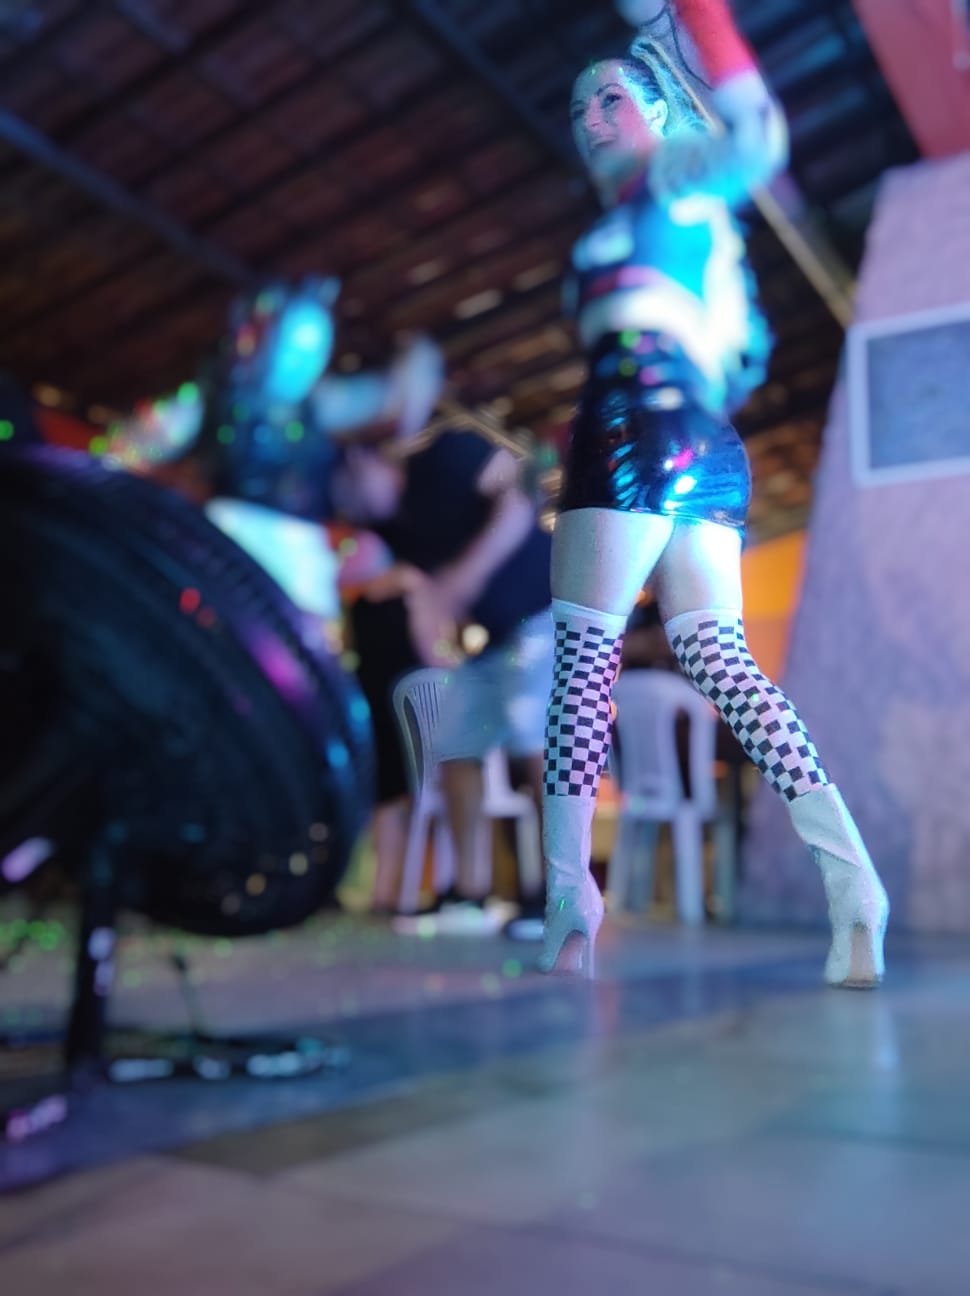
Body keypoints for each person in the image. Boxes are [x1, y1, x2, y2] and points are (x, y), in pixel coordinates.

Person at [539, 0, 889, 986]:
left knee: (583, 659)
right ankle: (853, 882)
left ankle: (568, 899)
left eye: (611, 97)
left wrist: (699, 17)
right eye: (579, 109)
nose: (591, 118)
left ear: (659, 110)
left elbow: (754, 138)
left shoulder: (673, 176)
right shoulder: (645, 208)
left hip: (630, 428)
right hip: (704, 447)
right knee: (720, 662)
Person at [333, 426, 554, 936]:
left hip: (550, 612)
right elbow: (425, 598)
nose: (350, 499)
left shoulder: (447, 452)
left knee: (536, 744)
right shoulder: (393, 530)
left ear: (371, 458)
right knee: (456, 744)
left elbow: (521, 497)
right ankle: (469, 892)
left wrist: (467, 574)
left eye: (352, 481)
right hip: (493, 640)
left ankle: (557, 894)